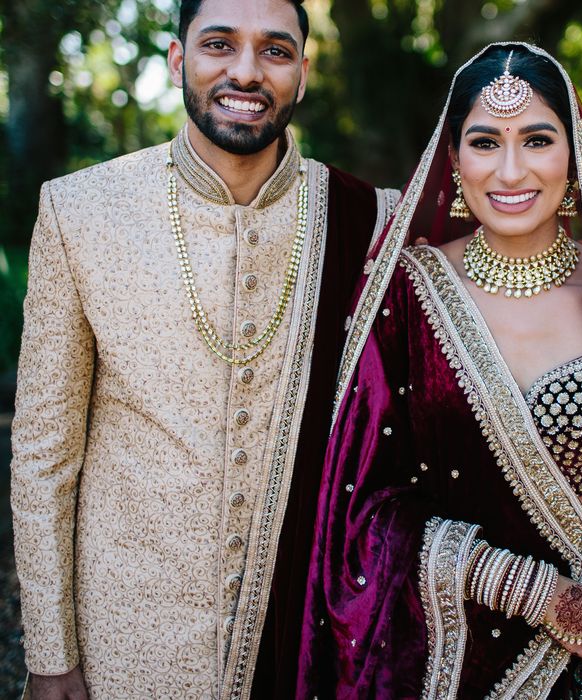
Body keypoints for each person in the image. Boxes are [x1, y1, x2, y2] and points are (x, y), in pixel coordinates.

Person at [297, 43, 582, 699]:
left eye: (537, 139)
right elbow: (359, 510)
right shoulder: (405, 295)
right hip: (430, 665)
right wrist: (537, 593)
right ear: (454, 161)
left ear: (575, 153)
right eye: (485, 143)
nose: (510, 171)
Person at [10, 0, 399, 698]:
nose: (246, 72)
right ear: (176, 60)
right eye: (219, 44)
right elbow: (44, 455)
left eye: (275, 52)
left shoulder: (369, 222)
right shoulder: (81, 212)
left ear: (302, 74)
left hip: (306, 643)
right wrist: (49, 651)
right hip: (126, 643)